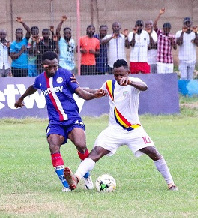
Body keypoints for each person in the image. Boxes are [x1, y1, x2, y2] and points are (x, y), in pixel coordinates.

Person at [63, 59, 178, 191]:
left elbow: (144, 87)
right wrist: (74, 87)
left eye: (121, 75)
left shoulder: (134, 83)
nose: (118, 78)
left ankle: (171, 183)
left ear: (128, 73)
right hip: (114, 130)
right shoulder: (109, 85)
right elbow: (94, 91)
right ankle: (75, 179)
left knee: (153, 152)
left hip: (134, 129)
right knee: (96, 153)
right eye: (116, 75)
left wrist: (129, 81)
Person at [14, 51, 106, 192]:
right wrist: (21, 99)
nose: (53, 69)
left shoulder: (66, 74)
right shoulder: (40, 80)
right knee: (53, 146)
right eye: (49, 67)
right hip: (55, 122)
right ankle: (66, 185)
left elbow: (81, 93)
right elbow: (32, 88)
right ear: (43, 65)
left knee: (81, 145)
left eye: (55, 66)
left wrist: (94, 95)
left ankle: (86, 177)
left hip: (72, 118)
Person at [154, 8, 177, 74]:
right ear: (163, 28)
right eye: (165, 29)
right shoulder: (160, 33)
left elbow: (175, 48)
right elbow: (154, 25)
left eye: (168, 29)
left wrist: (172, 41)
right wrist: (159, 14)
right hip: (161, 60)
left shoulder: (172, 36)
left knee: (168, 78)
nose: (166, 30)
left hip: (169, 60)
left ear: (170, 29)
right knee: (161, 78)